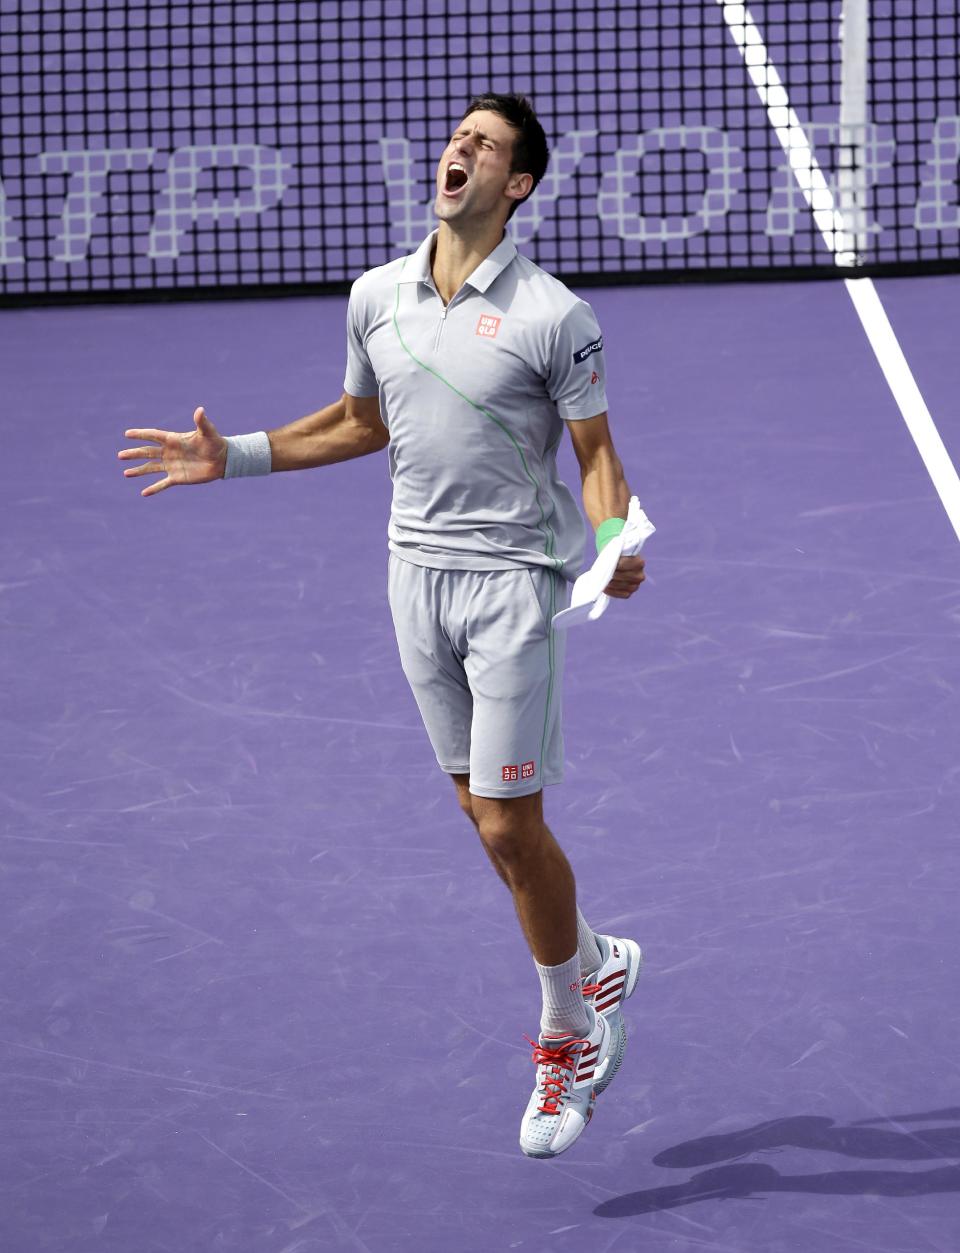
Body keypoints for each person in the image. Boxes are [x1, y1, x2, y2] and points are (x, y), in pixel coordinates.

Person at [118, 92, 646, 1159]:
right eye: (459, 138)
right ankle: (595, 954)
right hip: (413, 583)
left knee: (507, 823)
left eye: (485, 147)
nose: (461, 151)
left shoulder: (556, 315)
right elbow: (364, 419)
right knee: (484, 815)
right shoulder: (376, 296)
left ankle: (565, 1033)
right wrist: (239, 454)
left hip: (508, 587)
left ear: (518, 185)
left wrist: (613, 539)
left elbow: (592, 451)